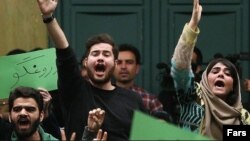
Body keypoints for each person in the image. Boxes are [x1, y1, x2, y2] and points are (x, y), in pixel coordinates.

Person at [36, 0, 147, 140]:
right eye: (95, 54)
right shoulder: (75, 91)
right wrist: (48, 17)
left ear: (115, 63)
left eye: (106, 54)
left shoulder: (133, 100)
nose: (100, 58)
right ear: (86, 62)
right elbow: (65, 53)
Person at [170, 0, 250, 140]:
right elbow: (180, 67)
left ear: (233, 86)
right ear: (205, 80)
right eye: (215, 71)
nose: (220, 74)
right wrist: (192, 26)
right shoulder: (192, 99)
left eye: (227, 73)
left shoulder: (243, 117)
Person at [113, 43, 163, 113]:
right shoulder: (102, 98)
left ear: (137, 68)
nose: (123, 67)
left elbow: (160, 123)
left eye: (129, 62)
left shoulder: (150, 100)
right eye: (118, 62)